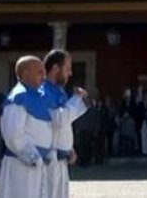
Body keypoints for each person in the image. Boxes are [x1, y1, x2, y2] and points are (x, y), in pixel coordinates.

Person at [0, 56, 54, 198]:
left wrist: (48, 152)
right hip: (22, 164)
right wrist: (33, 157)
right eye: (39, 72)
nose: (44, 76)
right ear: (25, 73)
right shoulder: (18, 97)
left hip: (38, 164)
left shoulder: (39, 96)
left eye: (44, 71)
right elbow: (12, 134)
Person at [43, 49, 88, 198]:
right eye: (67, 68)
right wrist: (76, 99)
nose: (70, 73)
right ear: (55, 68)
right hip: (49, 160)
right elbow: (58, 120)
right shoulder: (44, 91)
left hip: (61, 158)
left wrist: (68, 147)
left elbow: (64, 123)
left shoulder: (58, 91)